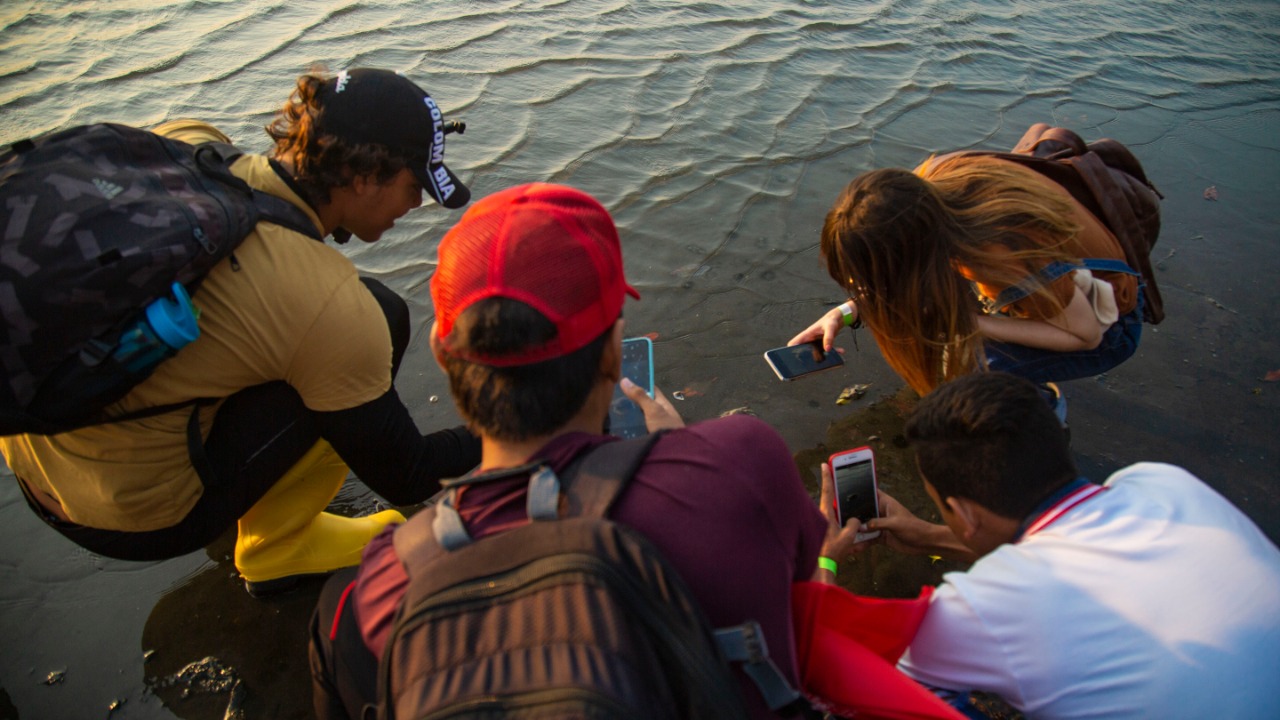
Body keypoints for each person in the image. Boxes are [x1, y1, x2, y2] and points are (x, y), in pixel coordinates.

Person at [308, 182, 828, 720]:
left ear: (443, 354)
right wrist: (680, 451)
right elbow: (809, 605)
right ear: (612, 351)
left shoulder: (373, 595)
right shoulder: (741, 461)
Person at [0, 68, 482, 597]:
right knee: (372, 325)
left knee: (345, 323)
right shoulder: (325, 302)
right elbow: (408, 473)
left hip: (35, 461)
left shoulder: (192, 148)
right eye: (413, 186)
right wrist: (537, 420)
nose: (415, 206)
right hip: (134, 517)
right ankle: (277, 550)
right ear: (364, 176)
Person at [817, 372, 1280, 718]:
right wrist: (930, 536)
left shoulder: (977, 607)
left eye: (944, 511)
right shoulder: (1163, 483)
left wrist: (824, 563)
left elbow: (863, 686)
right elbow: (1069, 548)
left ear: (967, 514)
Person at [789, 155, 1145, 418]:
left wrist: (968, 323)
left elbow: (1086, 335)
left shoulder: (999, 252)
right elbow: (899, 270)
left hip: (1111, 326)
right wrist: (843, 313)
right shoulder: (926, 187)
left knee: (968, 368)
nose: (858, 284)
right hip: (1064, 290)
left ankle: (1044, 416)